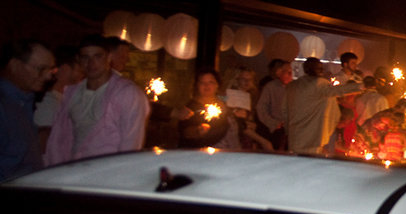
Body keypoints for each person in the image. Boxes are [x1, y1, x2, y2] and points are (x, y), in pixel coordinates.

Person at [45, 34, 150, 165]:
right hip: (73, 172)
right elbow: (60, 139)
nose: (91, 63)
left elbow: (131, 143)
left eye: (98, 56)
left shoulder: (127, 93)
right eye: (85, 57)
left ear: (109, 57)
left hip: (106, 174)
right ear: (79, 60)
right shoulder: (72, 93)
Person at [1, 38, 56, 181]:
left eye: (50, 69)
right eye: (41, 69)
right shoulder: (4, 106)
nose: (48, 76)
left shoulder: (22, 102)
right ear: (15, 65)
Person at [284, 57, 361, 155]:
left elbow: (284, 111)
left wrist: (288, 129)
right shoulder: (319, 84)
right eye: (319, 68)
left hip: (295, 136)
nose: (322, 71)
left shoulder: (292, 86)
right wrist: (361, 86)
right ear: (308, 69)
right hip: (313, 137)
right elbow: (338, 91)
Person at [176, 69, 240, 150]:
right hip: (201, 154)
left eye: (211, 82)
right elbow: (185, 132)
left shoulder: (227, 104)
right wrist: (198, 131)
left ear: (217, 85)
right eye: (202, 83)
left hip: (230, 152)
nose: (207, 85)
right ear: (197, 85)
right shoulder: (191, 108)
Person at [256, 59, 292, 151]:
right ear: (279, 72)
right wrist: (272, 123)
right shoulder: (270, 87)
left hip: (291, 130)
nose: (290, 75)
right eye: (287, 72)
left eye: (291, 72)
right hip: (275, 129)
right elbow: (261, 107)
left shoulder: (294, 87)